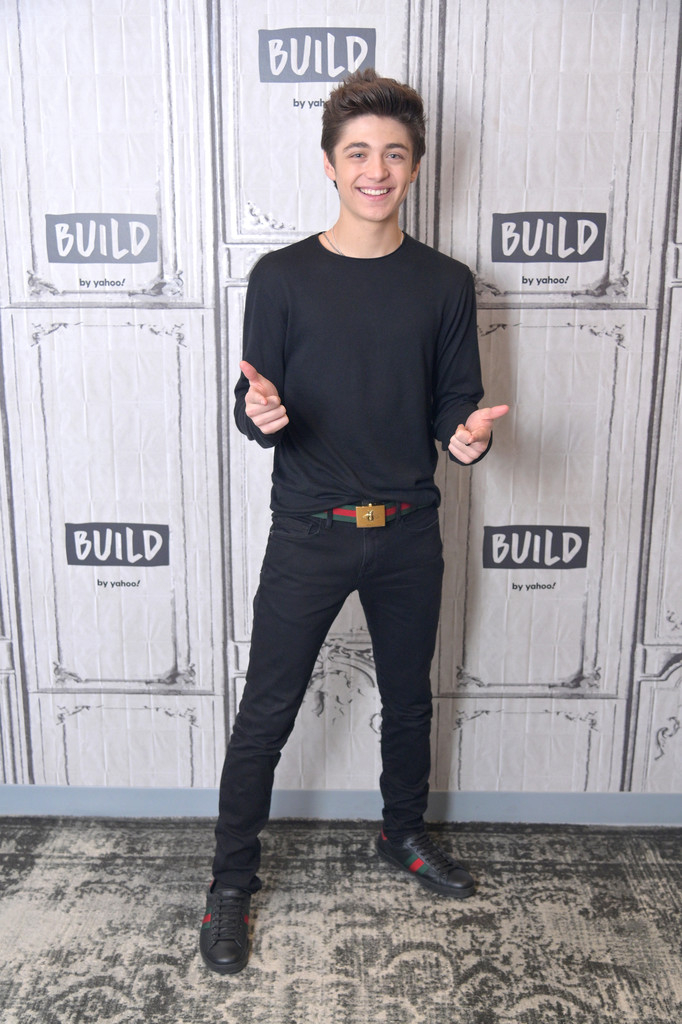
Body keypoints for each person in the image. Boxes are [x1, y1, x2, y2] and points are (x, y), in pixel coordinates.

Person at [200, 68, 508, 975]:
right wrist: (256, 415)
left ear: (415, 166)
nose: (377, 170)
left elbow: (456, 408)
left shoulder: (445, 283)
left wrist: (469, 440)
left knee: (409, 700)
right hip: (310, 527)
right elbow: (254, 399)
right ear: (330, 164)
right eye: (360, 153)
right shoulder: (282, 277)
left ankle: (401, 834)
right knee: (266, 712)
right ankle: (229, 884)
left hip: (409, 529)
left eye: (395, 154)